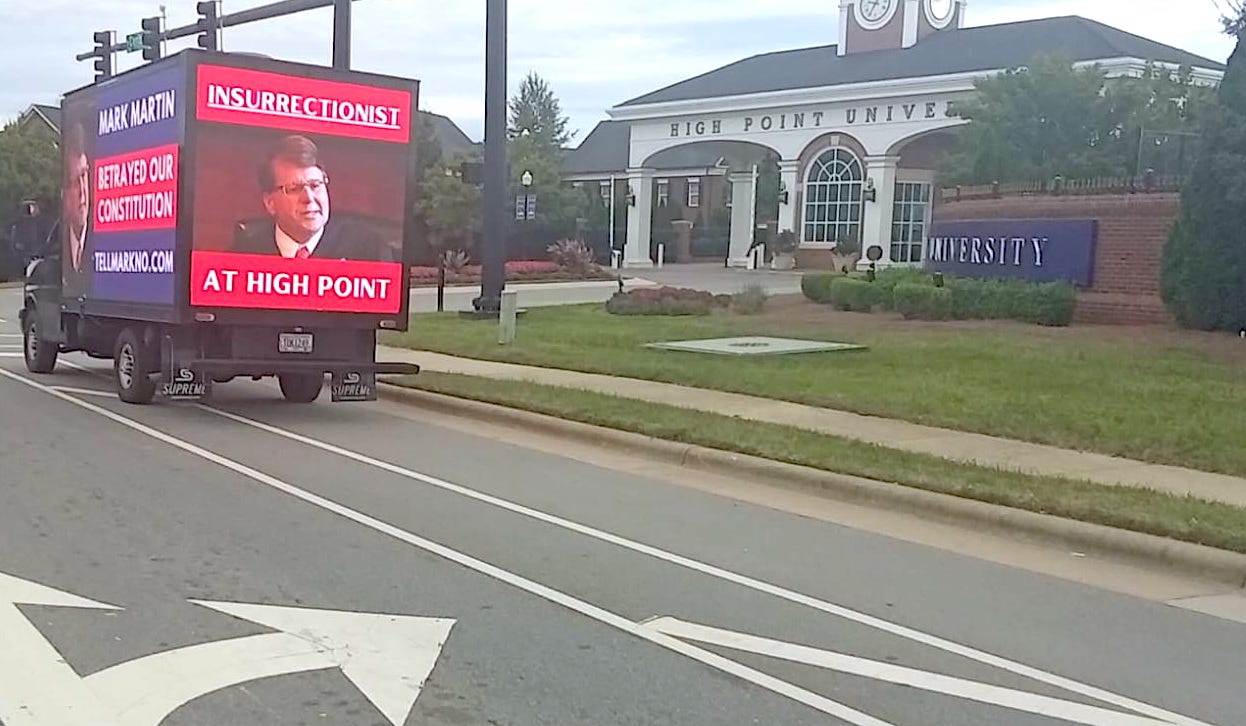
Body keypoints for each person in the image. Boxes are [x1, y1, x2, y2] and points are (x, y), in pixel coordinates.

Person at [232, 134, 394, 262]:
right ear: (270, 203)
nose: (309, 198)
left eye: (316, 185)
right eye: (294, 189)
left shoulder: (369, 250)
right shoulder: (243, 255)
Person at [63, 121, 92, 294]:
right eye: (75, 182)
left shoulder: (99, 240)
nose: (83, 190)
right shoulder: (63, 250)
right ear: (64, 193)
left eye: (84, 175)